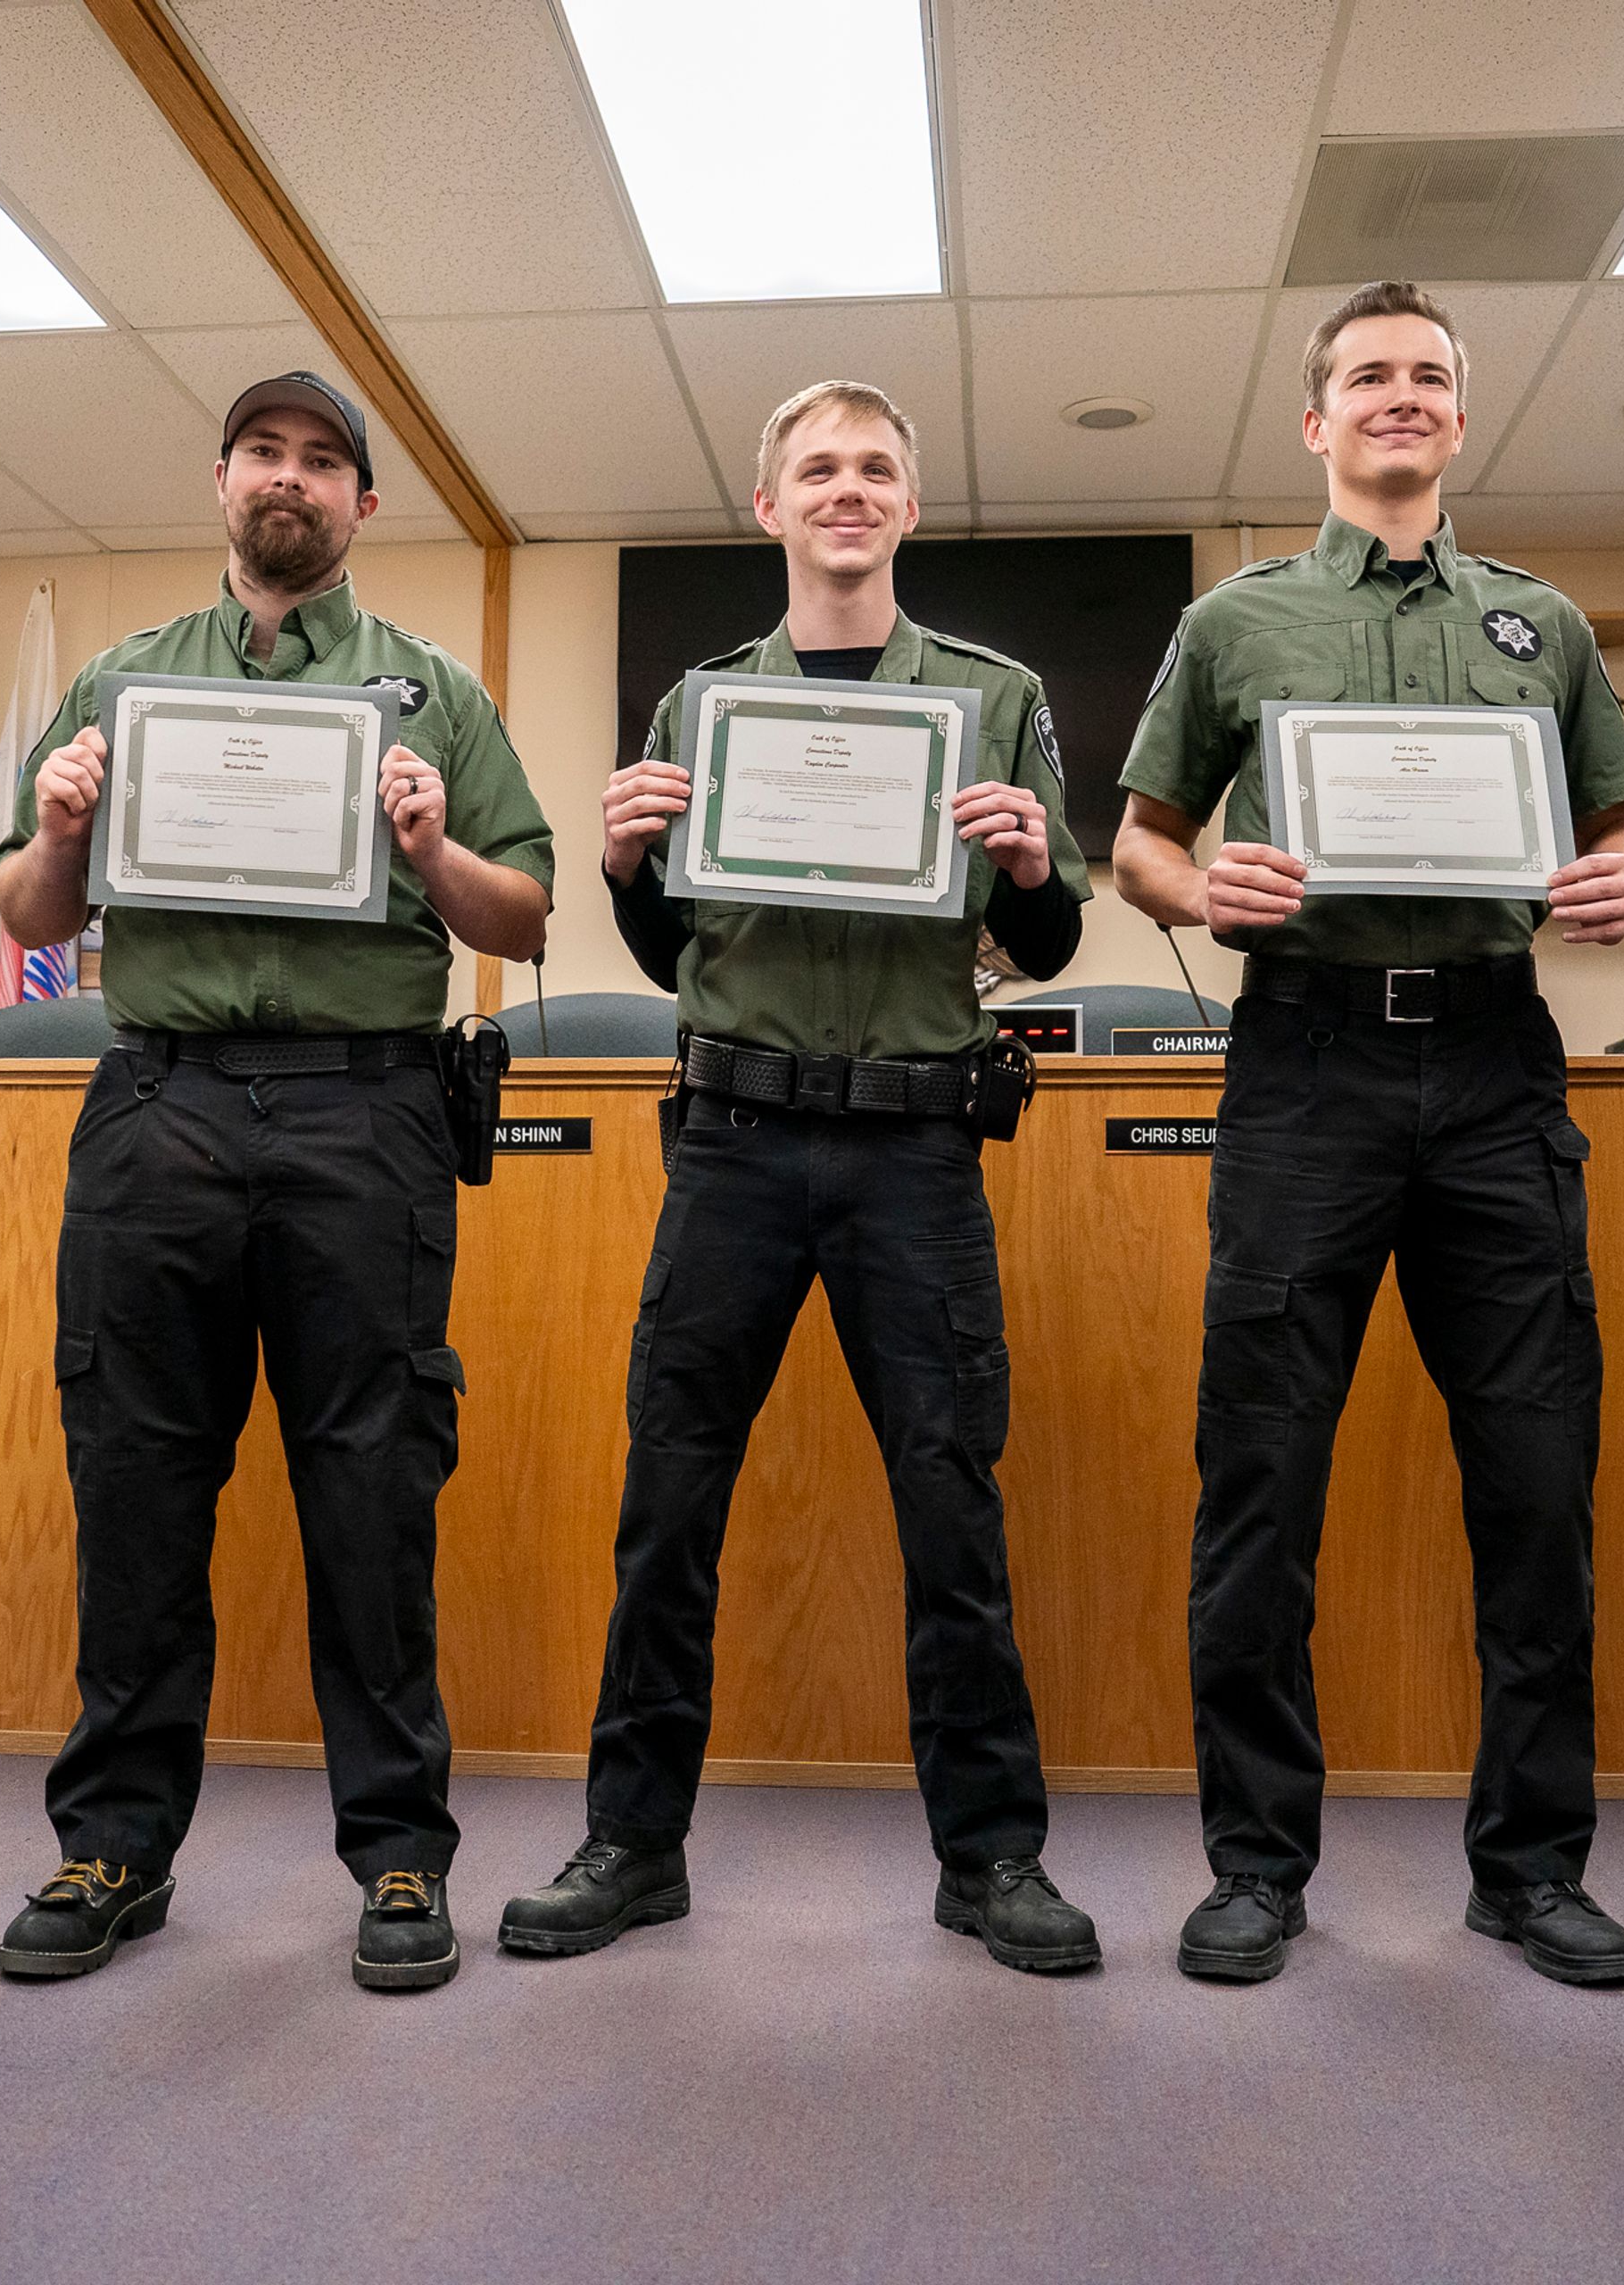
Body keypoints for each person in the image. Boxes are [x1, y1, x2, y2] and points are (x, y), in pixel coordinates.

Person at [496, 380, 1100, 1975]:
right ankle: (633, 1845)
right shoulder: (702, 703)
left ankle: (992, 1860)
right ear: (769, 507)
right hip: (736, 1144)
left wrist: (1034, 864)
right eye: (818, 470)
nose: (849, 490)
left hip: (914, 1145)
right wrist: (625, 860)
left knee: (950, 1508)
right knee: (670, 1502)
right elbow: (672, 947)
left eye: (877, 470)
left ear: (910, 504)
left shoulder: (995, 695)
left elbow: (1046, 942)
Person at [1112, 283, 1624, 1988]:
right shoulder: (1239, 623)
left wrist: (1619, 878)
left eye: (1428, 376)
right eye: (1368, 377)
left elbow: (1623, 840)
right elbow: (1137, 843)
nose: (1399, 397)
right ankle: (1258, 1864)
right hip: (1309, 1062)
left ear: (1459, 418)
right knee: (1262, 1479)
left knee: (1537, 1480)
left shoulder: (1543, 625)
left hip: (1496, 1063)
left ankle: (1531, 1867)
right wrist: (1209, 884)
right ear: (1315, 422)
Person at [0, 371, 551, 1993]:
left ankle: (395, 1858)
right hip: (158, 1109)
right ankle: (110, 1848)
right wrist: (62, 829)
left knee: (373, 1492)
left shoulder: (430, 690)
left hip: (361, 1118)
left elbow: (521, 920)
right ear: (221, 485)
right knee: (138, 1483)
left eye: (324, 461)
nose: (289, 481)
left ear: (364, 504)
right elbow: (29, 919)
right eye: (264, 456)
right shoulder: (120, 678)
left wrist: (436, 850)